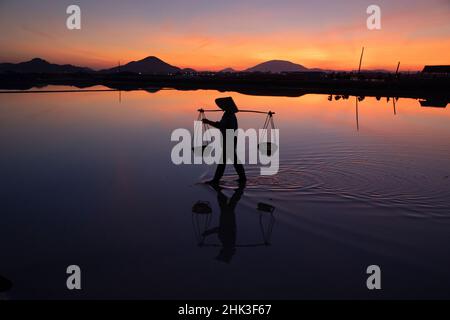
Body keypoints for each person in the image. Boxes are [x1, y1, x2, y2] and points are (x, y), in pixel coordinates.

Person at [202, 97, 246, 185]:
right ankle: (242, 178)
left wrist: (208, 122)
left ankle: (216, 180)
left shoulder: (229, 115)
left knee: (224, 161)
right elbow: (222, 125)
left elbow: (221, 126)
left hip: (230, 139)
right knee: (232, 159)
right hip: (230, 138)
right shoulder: (229, 114)